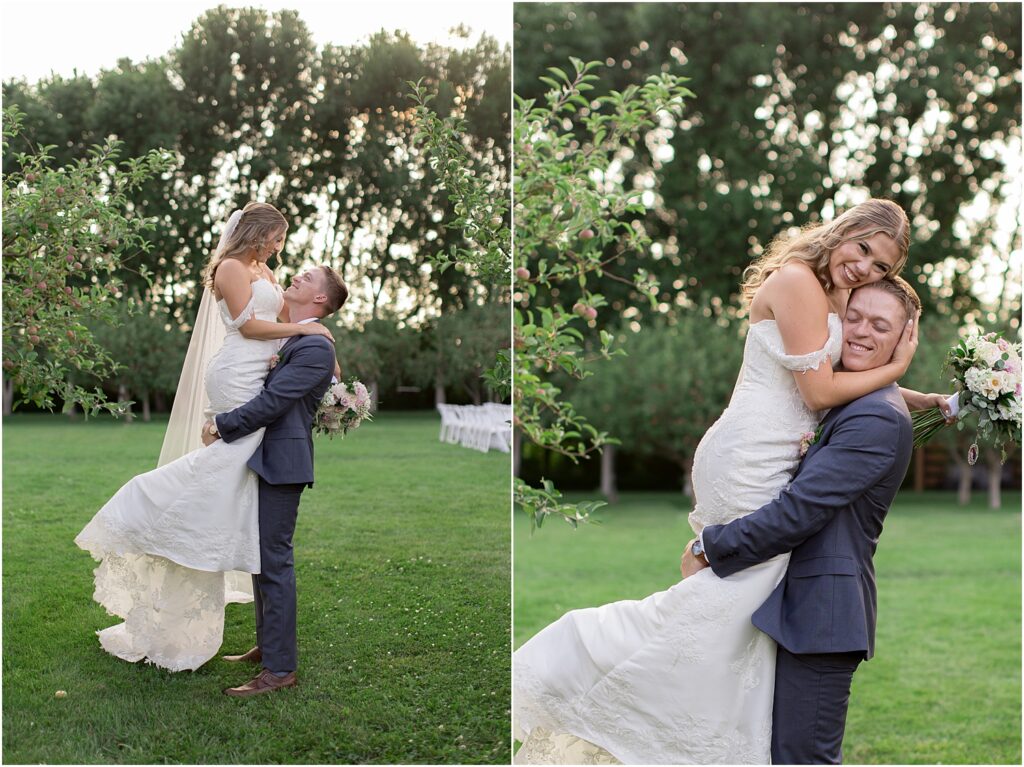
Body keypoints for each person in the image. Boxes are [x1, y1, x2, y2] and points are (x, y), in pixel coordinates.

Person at [512, 199, 950, 764]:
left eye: (882, 267)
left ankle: (702, 721)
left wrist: (913, 397)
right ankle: (586, 656)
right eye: (862, 249)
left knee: (739, 605)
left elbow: (840, 370)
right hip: (754, 451)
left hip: (770, 445)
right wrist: (900, 369)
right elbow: (820, 393)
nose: (866, 268)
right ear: (841, 232)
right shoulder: (798, 281)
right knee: (740, 582)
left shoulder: (835, 294)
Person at [75, 202, 338, 672]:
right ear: (258, 232)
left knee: (250, 529)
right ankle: (161, 518)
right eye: (277, 237)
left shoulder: (268, 275)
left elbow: (286, 352)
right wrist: (309, 331)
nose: (281, 248)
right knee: (243, 516)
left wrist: (318, 345)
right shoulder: (232, 267)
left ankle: (177, 525)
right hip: (240, 369)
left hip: (259, 387)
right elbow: (246, 325)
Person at [682, 277, 921, 763]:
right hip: (792, 605)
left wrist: (711, 547)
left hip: (821, 616)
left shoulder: (876, 418)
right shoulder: (852, 399)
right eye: (853, 317)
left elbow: (800, 512)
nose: (860, 332)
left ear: (903, 340)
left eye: (881, 325)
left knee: (802, 758)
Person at [205, 264, 348, 697]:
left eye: (307, 278)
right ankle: (268, 647)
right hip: (265, 457)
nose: (297, 278)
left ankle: (281, 670)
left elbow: (274, 401)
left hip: (282, 462)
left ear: (320, 300)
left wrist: (220, 425)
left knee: (274, 562)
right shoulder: (297, 337)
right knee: (260, 558)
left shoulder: (315, 348)